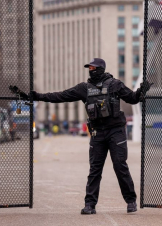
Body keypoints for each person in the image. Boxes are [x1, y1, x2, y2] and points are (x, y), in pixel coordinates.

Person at [19, 58, 152, 214]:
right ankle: (89, 205)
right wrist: (38, 96)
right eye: (89, 68)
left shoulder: (115, 85)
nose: (91, 70)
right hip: (97, 133)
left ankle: (131, 201)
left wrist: (141, 92)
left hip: (116, 131)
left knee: (120, 166)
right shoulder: (84, 88)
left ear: (101, 68)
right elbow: (61, 96)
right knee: (95, 169)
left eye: (93, 68)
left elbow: (132, 99)